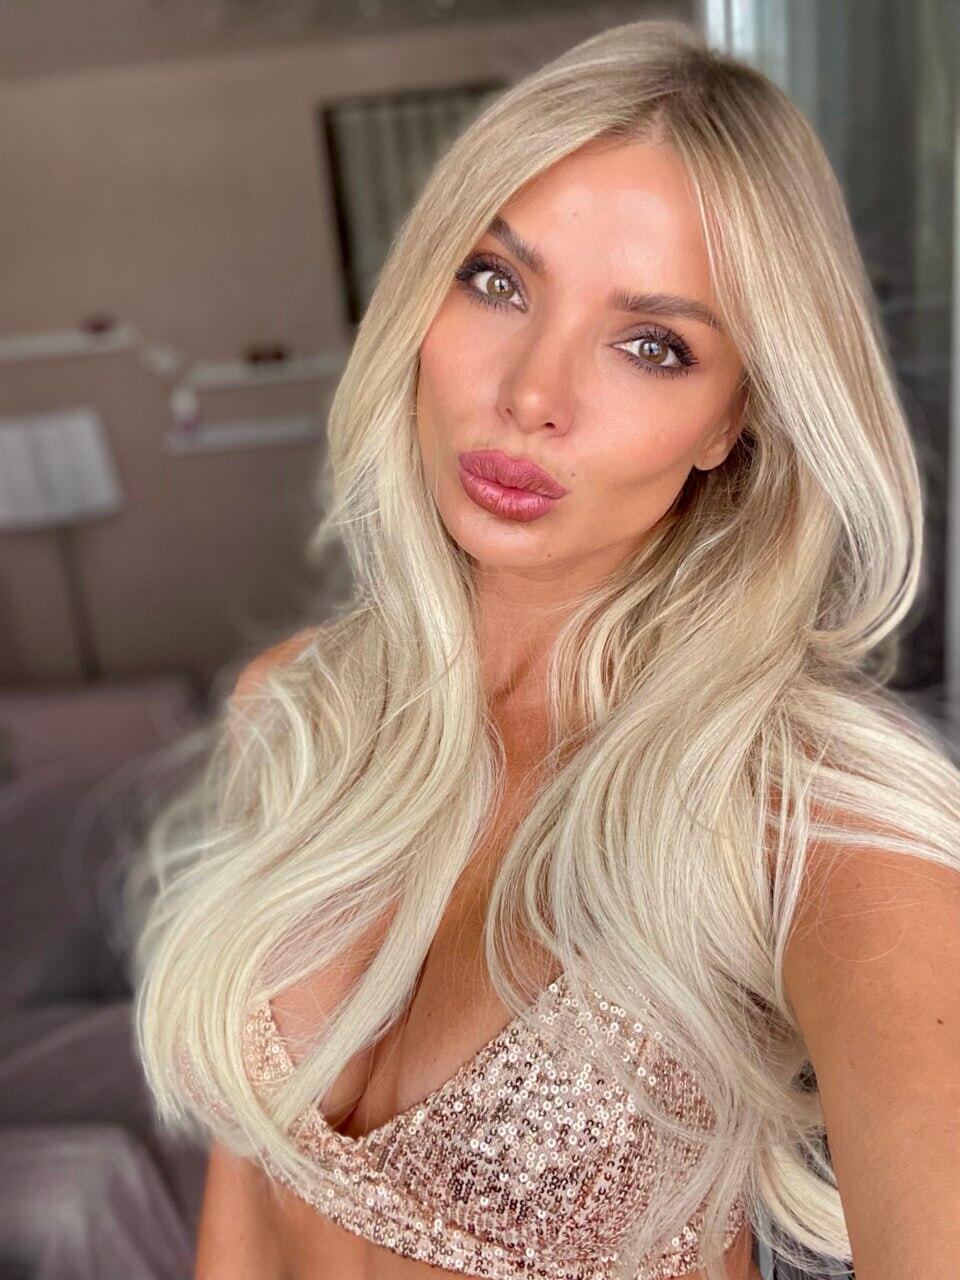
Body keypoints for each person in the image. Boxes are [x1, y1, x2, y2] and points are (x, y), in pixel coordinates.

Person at [125, 17, 960, 1280]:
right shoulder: (293, 711)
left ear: (732, 422)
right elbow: (245, 1208)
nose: (530, 394)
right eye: (497, 281)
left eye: (653, 345)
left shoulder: (805, 817)